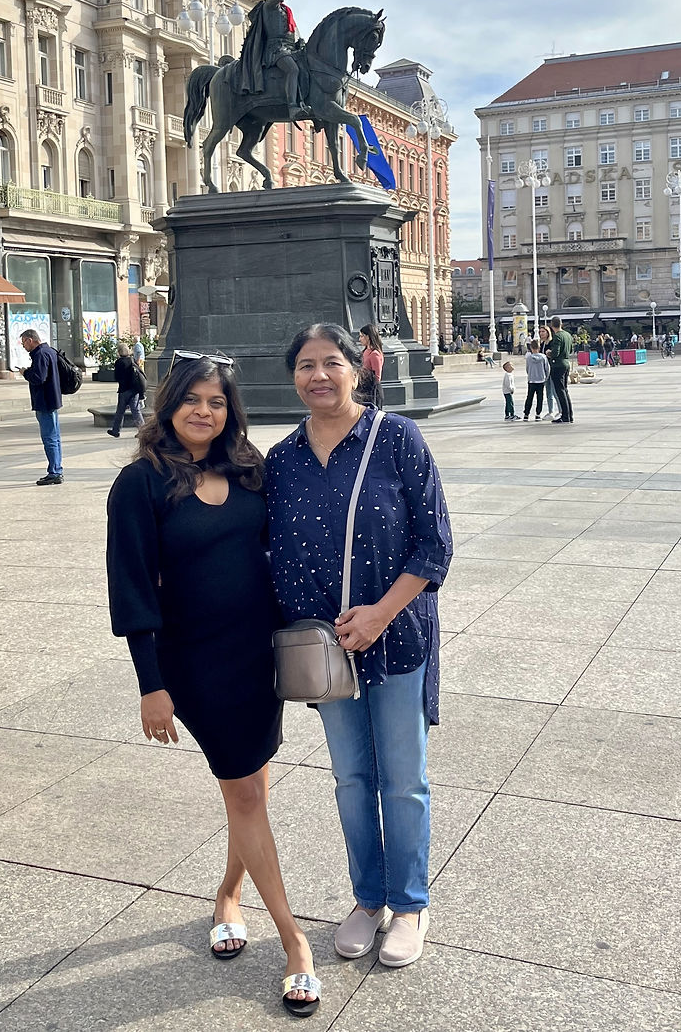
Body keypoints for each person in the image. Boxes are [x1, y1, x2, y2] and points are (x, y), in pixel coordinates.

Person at [106, 353, 319, 1017]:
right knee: (248, 791)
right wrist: (151, 684)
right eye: (192, 399)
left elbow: (279, 545)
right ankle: (296, 944)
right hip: (194, 664)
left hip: (256, 654)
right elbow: (132, 585)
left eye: (217, 401)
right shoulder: (139, 484)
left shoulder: (248, 468)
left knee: (247, 786)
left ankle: (228, 896)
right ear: (169, 403)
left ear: (231, 411)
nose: (204, 410)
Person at [265, 324, 451, 972]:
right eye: (306, 365)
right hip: (326, 654)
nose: (319, 374)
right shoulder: (282, 459)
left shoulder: (397, 438)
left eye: (331, 363)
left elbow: (434, 545)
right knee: (351, 778)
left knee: (403, 780)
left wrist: (378, 613)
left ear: (357, 369)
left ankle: (409, 904)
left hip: (396, 638)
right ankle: (367, 898)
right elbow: (263, 553)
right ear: (294, 375)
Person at [238, 0, 312, 118]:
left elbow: (290, 32)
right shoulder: (269, 6)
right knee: (293, 69)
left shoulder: (286, 10)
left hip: (289, 48)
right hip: (275, 49)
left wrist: (299, 43)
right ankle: (292, 106)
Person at [18, 329, 64, 485]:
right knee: (55, 438)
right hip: (52, 400)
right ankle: (56, 469)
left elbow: (39, 377)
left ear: (30, 340)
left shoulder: (40, 354)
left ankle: (55, 472)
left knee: (50, 438)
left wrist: (25, 372)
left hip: (45, 402)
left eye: (23, 342)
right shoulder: (49, 351)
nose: (23, 346)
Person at [108, 342, 147, 438]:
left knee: (120, 411)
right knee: (136, 411)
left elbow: (116, 377)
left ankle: (116, 430)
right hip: (135, 390)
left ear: (119, 352)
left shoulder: (119, 362)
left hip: (124, 390)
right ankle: (143, 431)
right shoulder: (132, 360)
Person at [547, 314, 574, 424]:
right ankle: (569, 414)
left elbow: (555, 353)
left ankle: (565, 415)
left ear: (552, 325)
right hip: (566, 363)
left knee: (560, 391)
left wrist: (549, 353)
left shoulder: (557, 336)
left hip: (558, 365)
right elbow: (571, 349)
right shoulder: (568, 335)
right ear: (561, 324)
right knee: (565, 390)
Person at [357, 325, 384, 408]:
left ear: (368, 337)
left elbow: (377, 377)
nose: (359, 339)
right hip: (363, 388)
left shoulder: (375, 354)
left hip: (371, 391)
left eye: (362, 336)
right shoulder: (365, 351)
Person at [523, 340, 550, 421]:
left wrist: (530, 375)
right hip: (541, 380)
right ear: (539, 347)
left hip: (532, 380)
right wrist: (546, 378)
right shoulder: (543, 357)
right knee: (540, 398)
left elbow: (527, 369)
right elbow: (547, 368)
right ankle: (538, 414)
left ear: (531, 348)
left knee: (529, 397)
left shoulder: (528, 358)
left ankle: (526, 414)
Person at [537, 325, 556, 417]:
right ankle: (550, 411)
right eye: (540, 332)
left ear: (548, 333)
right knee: (548, 391)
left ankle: (560, 411)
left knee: (554, 391)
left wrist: (550, 354)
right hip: (544, 370)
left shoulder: (551, 343)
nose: (541, 334)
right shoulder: (542, 344)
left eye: (543, 332)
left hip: (551, 368)